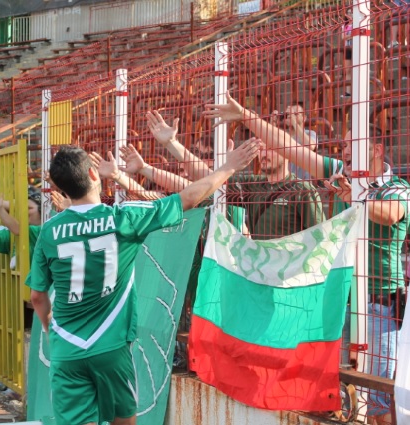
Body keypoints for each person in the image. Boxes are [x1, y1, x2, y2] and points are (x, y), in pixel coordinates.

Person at [204, 92, 410, 425]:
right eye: (342, 146)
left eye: (350, 145)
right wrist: (244, 114)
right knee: (329, 387)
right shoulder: (346, 174)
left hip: (381, 306)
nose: (343, 152)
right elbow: (291, 148)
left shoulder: (396, 187)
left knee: (379, 403)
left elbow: (390, 214)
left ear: (375, 150)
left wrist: (359, 200)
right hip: (342, 297)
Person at [27, 141, 260, 425]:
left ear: (60, 188)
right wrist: (229, 166)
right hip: (110, 346)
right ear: (92, 175)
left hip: (67, 346)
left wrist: (51, 328)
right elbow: (187, 198)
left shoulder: (50, 230)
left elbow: (37, 296)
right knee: (124, 420)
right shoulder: (124, 218)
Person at [137, 110, 325, 239]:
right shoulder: (253, 185)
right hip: (260, 277)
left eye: (272, 148)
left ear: (286, 152)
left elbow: (320, 238)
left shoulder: (302, 190)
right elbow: (208, 177)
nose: (265, 153)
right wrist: (172, 144)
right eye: (262, 148)